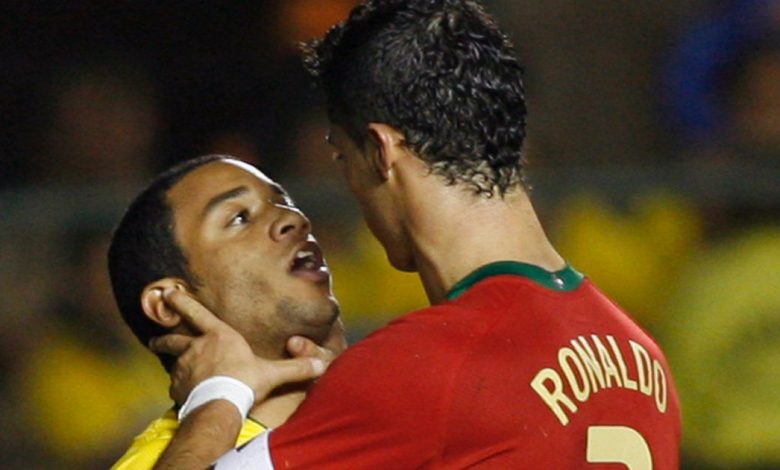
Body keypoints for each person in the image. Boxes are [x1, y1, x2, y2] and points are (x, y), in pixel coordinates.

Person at [153, 1, 682, 468]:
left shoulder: (429, 364)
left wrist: (217, 393)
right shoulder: (640, 357)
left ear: (382, 151)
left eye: (343, 157)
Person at [106, 154, 346, 468]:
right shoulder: (155, 460)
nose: (293, 218)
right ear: (169, 303)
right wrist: (221, 394)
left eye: (284, 202)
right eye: (239, 218)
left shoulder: (372, 415)